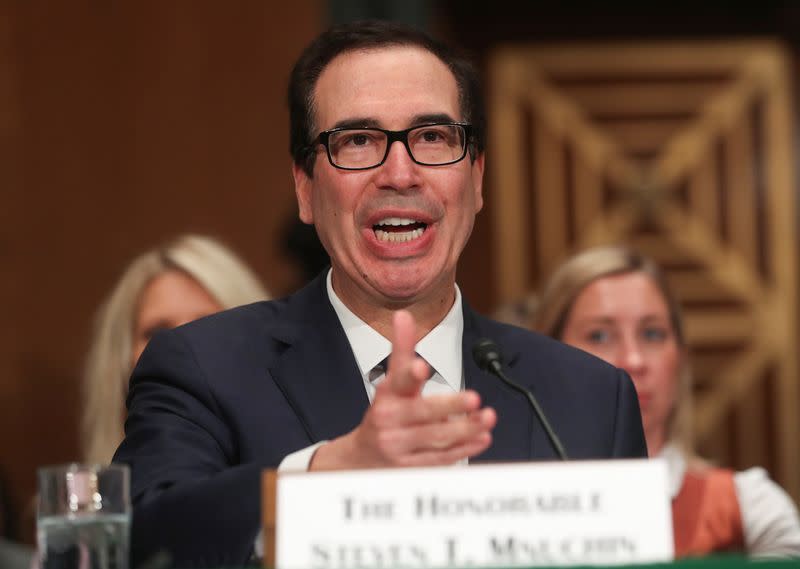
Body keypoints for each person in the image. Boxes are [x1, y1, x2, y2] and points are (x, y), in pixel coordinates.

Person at [113, 21, 647, 568]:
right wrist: (324, 476)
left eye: (433, 137)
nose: (400, 173)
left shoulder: (591, 399)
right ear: (305, 186)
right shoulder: (204, 367)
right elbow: (141, 542)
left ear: (478, 177)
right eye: (359, 141)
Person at [533, 246, 800, 558]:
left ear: (680, 358)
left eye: (652, 334)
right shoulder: (505, 506)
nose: (633, 360)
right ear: (547, 357)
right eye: (600, 336)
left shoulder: (747, 508)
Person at [81, 234, 269, 464]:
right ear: (120, 362)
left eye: (205, 327)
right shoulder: (70, 499)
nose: (180, 352)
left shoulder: (305, 479)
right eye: (157, 334)